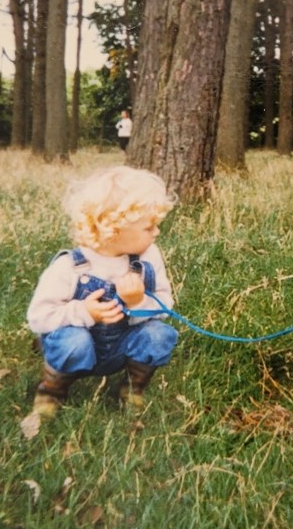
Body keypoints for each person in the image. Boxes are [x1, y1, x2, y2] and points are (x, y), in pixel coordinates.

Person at [27, 165, 178, 417]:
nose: (157, 232)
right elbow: (38, 317)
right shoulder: (71, 266)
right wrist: (84, 311)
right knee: (73, 342)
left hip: (122, 345)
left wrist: (137, 302)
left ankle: (133, 388)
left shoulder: (148, 257)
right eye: (149, 227)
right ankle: (52, 389)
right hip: (80, 345)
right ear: (114, 229)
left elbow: (165, 304)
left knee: (159, 335)